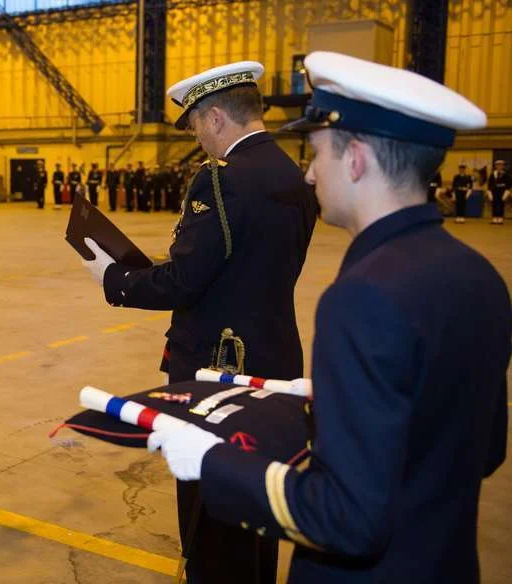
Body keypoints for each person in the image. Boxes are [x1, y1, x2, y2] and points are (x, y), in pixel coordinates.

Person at [149, 51, 509, 584]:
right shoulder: (479, 276)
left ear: (357, 159)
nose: (311, 173)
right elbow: (486, 451)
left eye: (317, 153)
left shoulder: (363, 298)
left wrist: (211, 460)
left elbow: (346, 517)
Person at [80, 60, 317, 584]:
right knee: (259, 508)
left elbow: (184, 281)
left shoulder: (220, 181)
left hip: (217, 370)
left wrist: (113, 279)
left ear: (214, 118)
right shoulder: (291, 175)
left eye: (193, 124)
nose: (196, 138)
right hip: (275, 362)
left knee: (211, 512)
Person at [487, 159, 508, 224]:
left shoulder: (505, 174)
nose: (499, 166)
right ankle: (494, 217)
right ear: (496, 166)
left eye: (501, 165)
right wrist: (489, 192)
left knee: (501, 204)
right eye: (498, 165)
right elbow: (490, 184)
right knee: (494, 204)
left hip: (502, 191)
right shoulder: (493, 174)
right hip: (494, 191)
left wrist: (506, 192)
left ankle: (500, 218)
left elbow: (508, 184)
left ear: (503, 166)